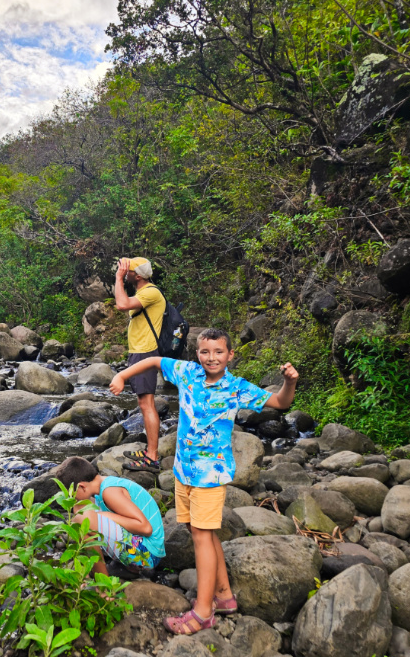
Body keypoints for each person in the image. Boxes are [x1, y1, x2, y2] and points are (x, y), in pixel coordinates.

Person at [109, 327, 299, 634]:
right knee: (198, 531)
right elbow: (155, 360)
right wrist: (122, 375)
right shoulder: (188, 374)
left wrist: (289, 382)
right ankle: (223, 595)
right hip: (184, 471)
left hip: (210, 475)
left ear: (230, 355)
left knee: (201, 535)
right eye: (205, 352)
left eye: (219, 352)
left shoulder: (236, 387)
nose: (211, 358)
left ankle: (203, 611)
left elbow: (279, 402)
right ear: (197, 354)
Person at [55, 456, 165, 576]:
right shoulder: (102, 486)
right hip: (144, 548)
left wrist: (106, 515)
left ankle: (103, 585)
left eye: (73, 494)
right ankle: (111, 569)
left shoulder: (109, 491)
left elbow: (145, 528)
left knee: (83, 521)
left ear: (82, 486)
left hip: (149, 555)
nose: (72, 498)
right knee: (83, 512)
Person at [114, 256, 166, 472]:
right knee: (145, 403)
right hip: (140, 351)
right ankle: (149, 450)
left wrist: (118, 277)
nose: (125, 273)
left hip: (145, 352)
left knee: (147, 404)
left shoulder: (151, 292)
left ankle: (152, 457)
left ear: (137, 275)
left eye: (128, 271)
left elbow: (121, 304)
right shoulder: (144, 292)